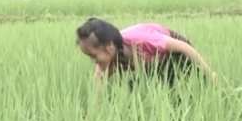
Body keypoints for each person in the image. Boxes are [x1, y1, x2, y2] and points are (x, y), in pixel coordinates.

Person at [75, 18, 216, 87]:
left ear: (110, 46)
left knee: (188, 86)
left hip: (175, 54)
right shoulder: (106, 63)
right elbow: (97, 89)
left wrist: (210, 74)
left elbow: (185, 48)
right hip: (151, 63)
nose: (94, 61)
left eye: (94, 55)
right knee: (135, 91)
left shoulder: (143, 40)